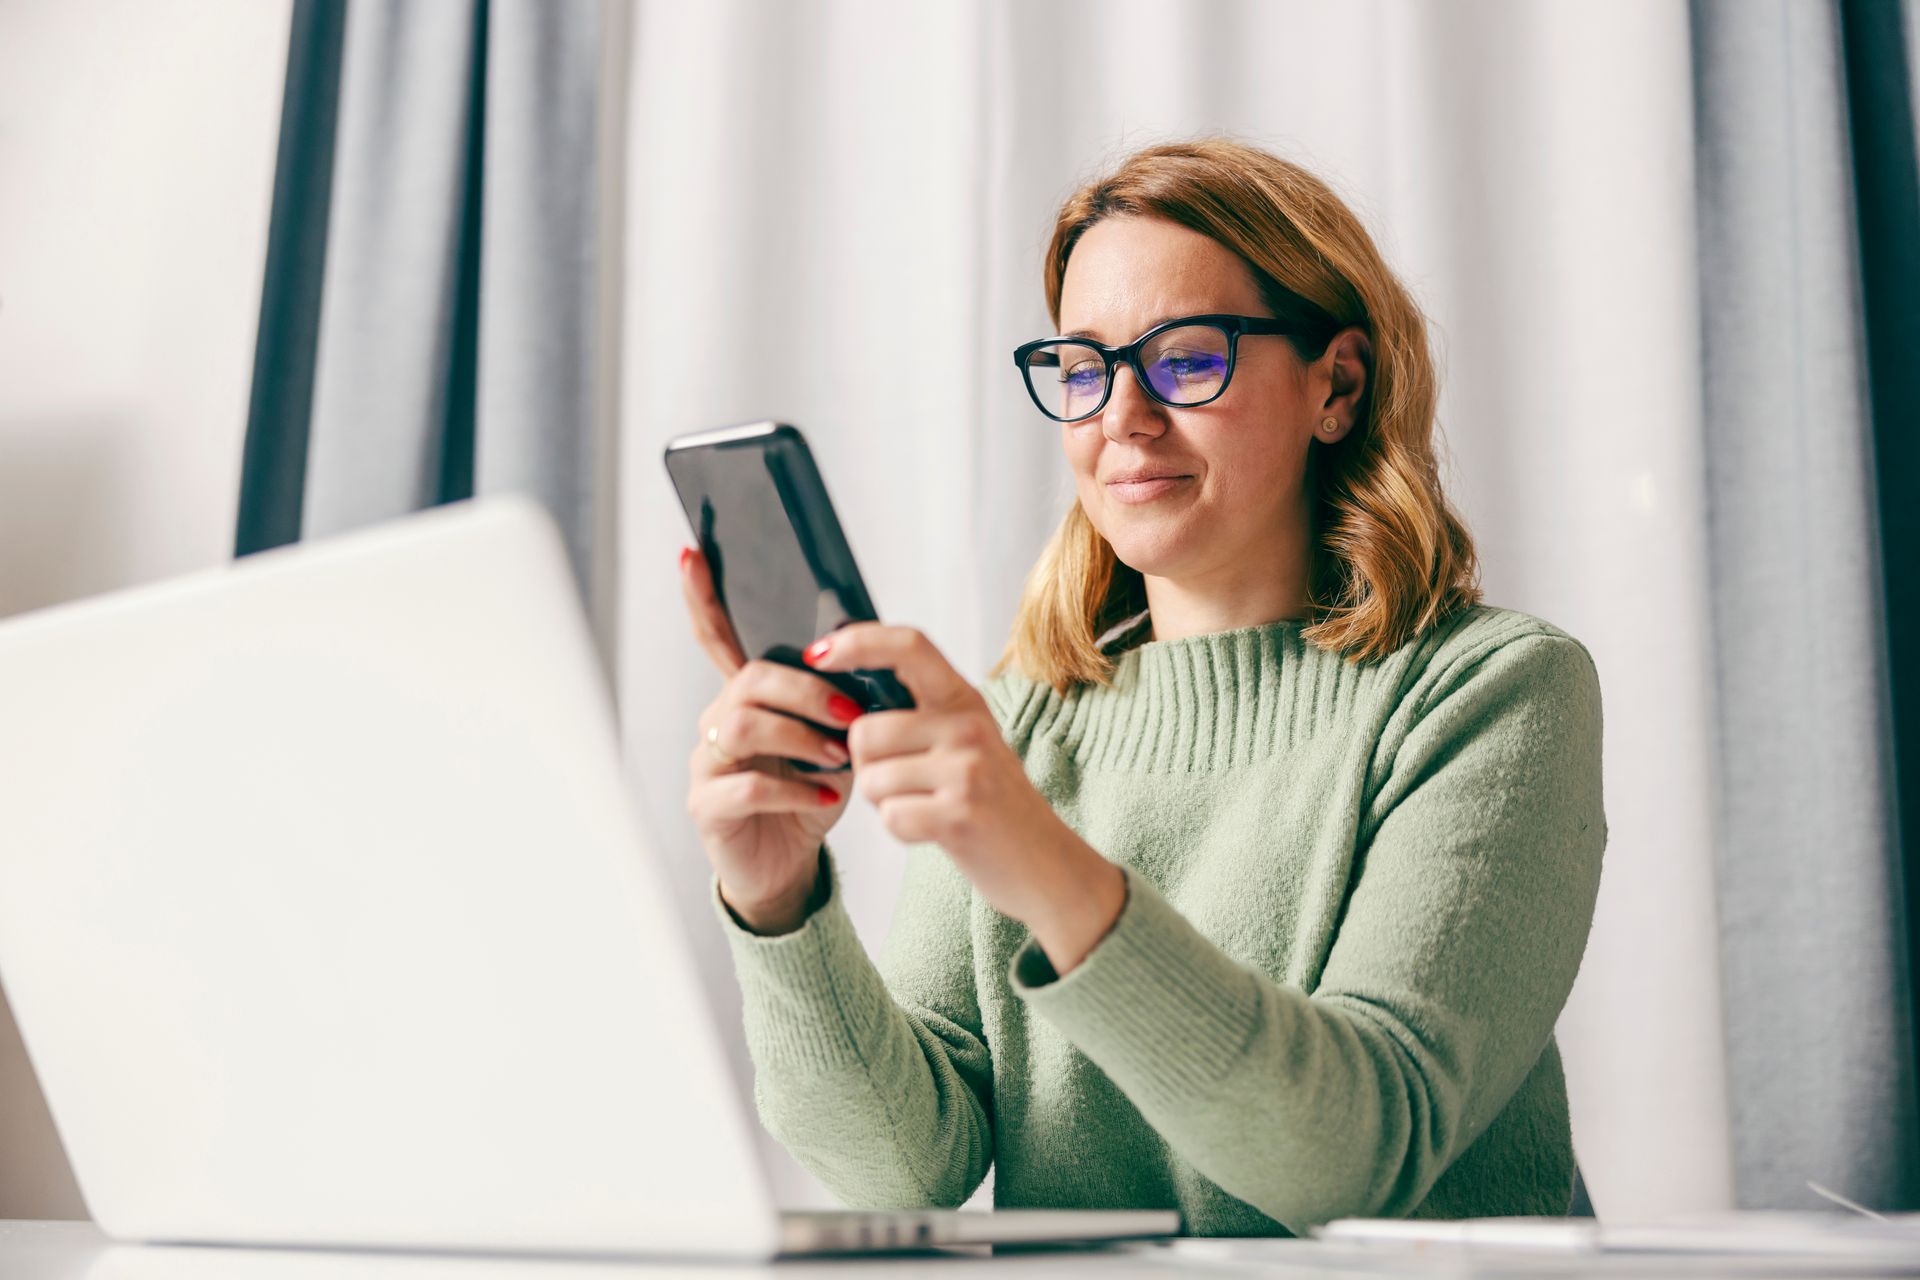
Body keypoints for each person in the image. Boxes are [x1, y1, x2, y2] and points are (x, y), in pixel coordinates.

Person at [675, 137, 1606, 1237]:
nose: (1121, 414)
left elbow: (1353, 1155)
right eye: (1083, 368)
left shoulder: (1492, 694)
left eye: (1185, 358)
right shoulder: (1016, 728)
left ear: (1337, 385)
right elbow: (904, 1169)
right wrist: (779, 905)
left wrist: (1035, 855)